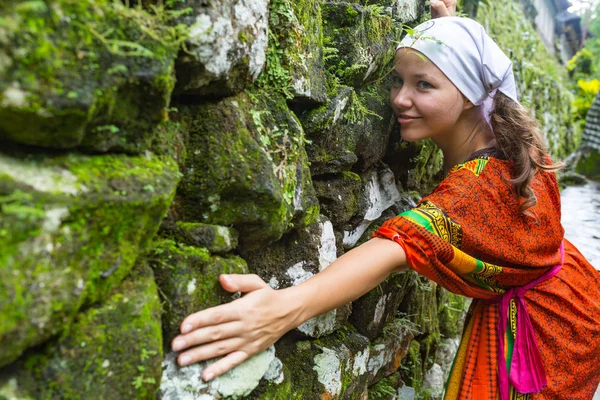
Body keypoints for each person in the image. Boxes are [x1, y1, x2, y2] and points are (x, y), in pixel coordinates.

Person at [169, 4, 600, 400]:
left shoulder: (477, 190)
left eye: (423, 85)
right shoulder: (509, 132)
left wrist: (285, 308)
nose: (399, 98)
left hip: (546, 337)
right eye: (398, 79)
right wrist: (447, 23)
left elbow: (395, 248)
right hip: (577, 296)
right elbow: (484, 70)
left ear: (470, 93)